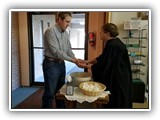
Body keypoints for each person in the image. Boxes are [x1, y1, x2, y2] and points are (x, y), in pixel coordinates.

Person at [79, 23, 132, 108]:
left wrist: (85, 66)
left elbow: (104, 66)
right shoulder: (113, 42)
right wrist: (86, 61)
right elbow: (102, 58)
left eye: (101, 32)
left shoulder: (113, 46)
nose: (99, 34)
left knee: (117, 103)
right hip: (120, 76)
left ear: (107, 33)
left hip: (118, 79)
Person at [42, 12, 79, 108]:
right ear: (59, 20)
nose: (68, 24)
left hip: (61, 64)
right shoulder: (50, 31)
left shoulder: (66, 33)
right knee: (50, 92)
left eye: (69, 22)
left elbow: (68, 50)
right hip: (51, 64)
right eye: (67, 21)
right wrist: (73, 60)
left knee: (61, 90)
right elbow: (56, 51)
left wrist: (76, 59)